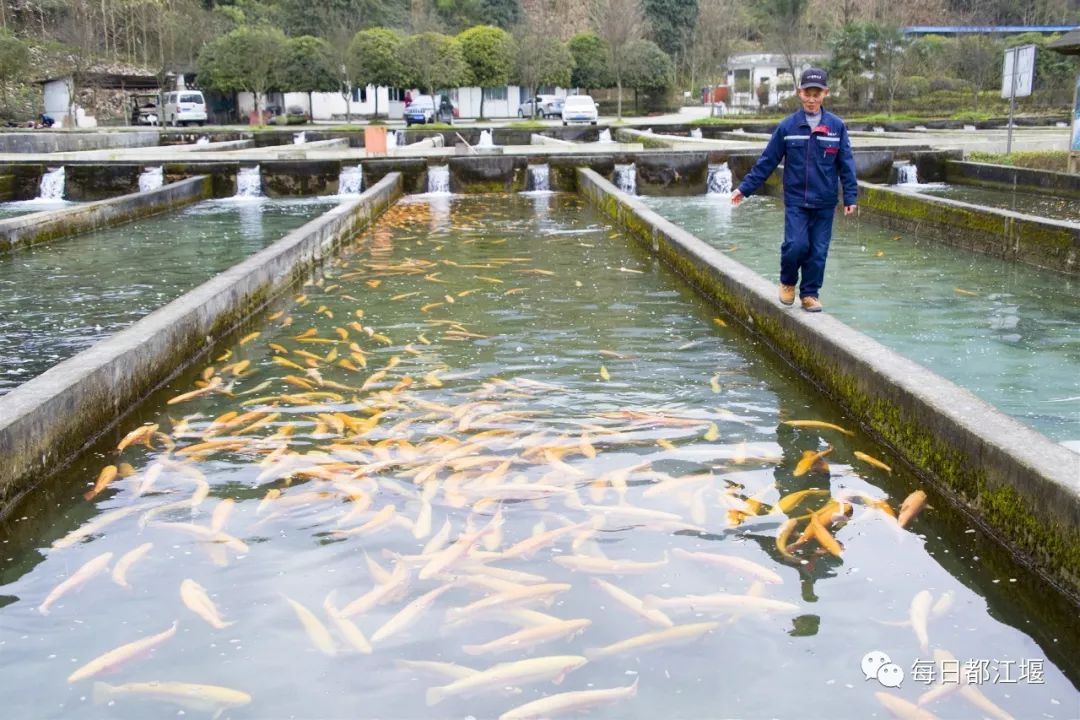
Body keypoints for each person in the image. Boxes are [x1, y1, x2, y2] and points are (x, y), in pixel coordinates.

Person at [730, 68, 857, 313]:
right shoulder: (788, 127)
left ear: (825, 94)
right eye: (807, 93)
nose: (811, 99)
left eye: (816, 94)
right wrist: (744, 189)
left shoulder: (836, 127)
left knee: (818, 251)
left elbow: (846, 164)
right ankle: (788, 281)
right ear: (800, 93)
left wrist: (850, 196)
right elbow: (767, 161)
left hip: (825, 201)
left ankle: (810, 294)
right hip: (797, 200)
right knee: (795, 245)